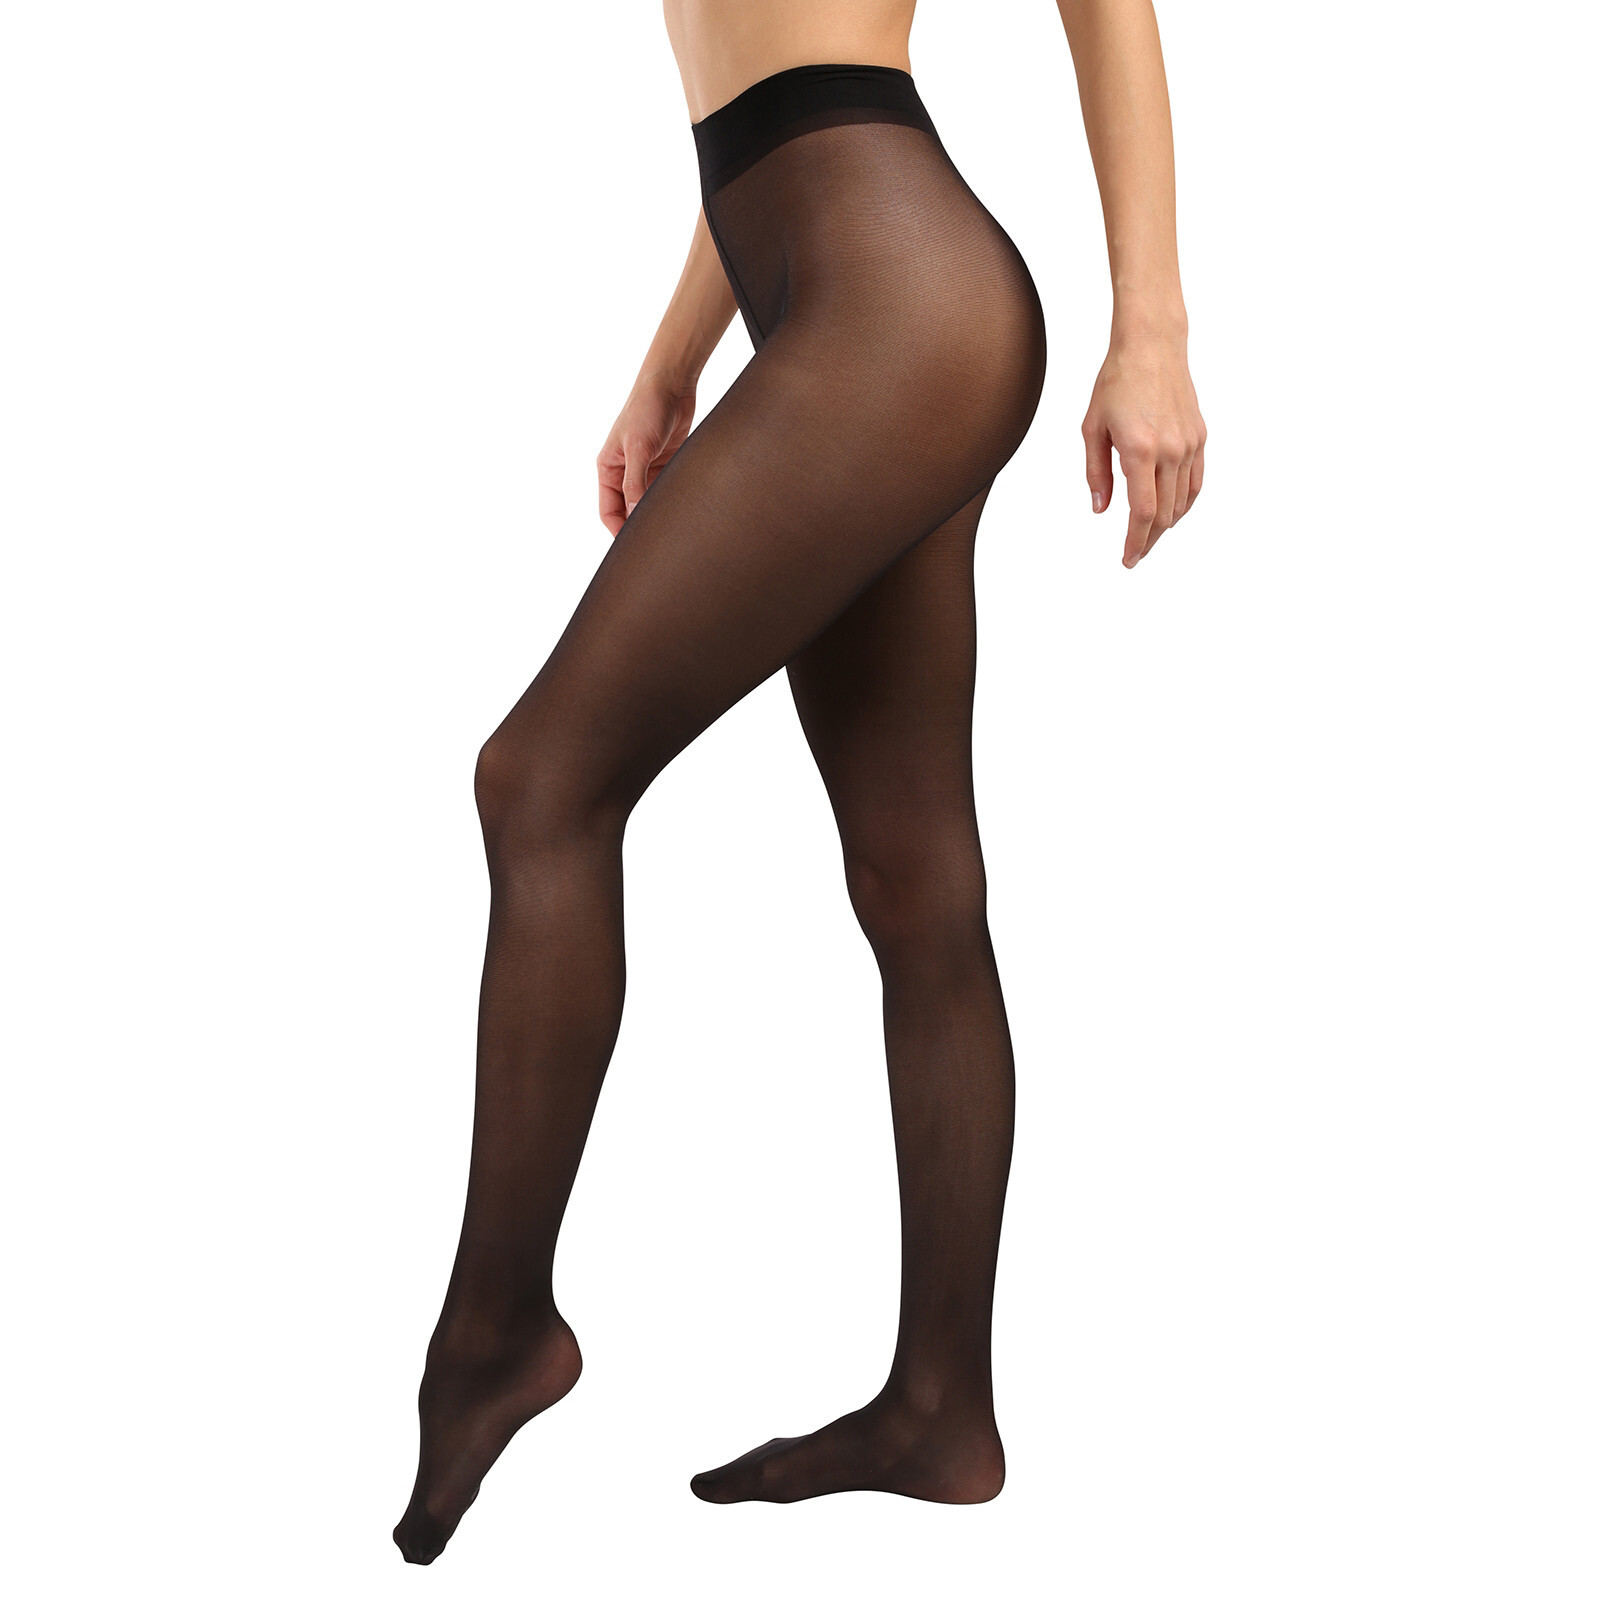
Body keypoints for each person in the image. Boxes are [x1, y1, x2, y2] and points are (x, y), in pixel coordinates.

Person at [395, 0, 1204, 1564]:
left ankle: (495, 1329)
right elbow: (758, 88)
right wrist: (670, 360)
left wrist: (1153, 332)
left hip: (893, 298)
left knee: (540, 783)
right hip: (831, 289)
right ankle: (942, 1410)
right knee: (914, 876)